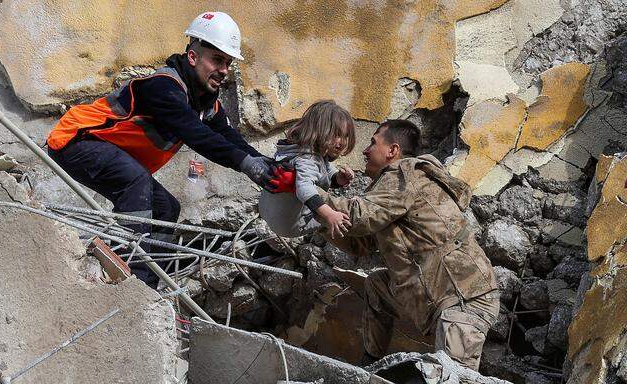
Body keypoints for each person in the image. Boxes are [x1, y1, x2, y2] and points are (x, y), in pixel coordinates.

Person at [46, 12, 292, 288]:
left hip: (107, 151)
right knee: (136, 181)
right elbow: (196, 134)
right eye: (217, 59)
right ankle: (128, 281)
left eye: (228, 62)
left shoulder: (205, 103)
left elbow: (228, 136)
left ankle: (148, 286)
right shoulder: (164, 87)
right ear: (193, 57)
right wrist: (248, 165)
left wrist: (265, 164)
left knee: (166, 207)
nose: (224, 70)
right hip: (76, 140)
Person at [319, 119, 499, 371]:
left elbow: (359, 216)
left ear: (393, 151)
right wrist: (316, 219)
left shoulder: (405, 175)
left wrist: (310, 195)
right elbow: (359, 243)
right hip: (436, 295)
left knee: (454, 377)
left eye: (373, 142)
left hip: (463, 298)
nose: (365, 150)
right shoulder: (390, 191)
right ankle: (370, 368)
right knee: (378, 284)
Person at [259, 100, 356, 238]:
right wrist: (330, 215)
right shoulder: (307, 159)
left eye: (345, 136)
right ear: (320, 131)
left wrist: (338, 178)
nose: (342, 142)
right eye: (337, 134)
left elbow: (324, 169)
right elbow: (305, 189)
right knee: (348, 217)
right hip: (291, 225)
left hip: (268, 212)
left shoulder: (296, 149)